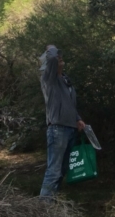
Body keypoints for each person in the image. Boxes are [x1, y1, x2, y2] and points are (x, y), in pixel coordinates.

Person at [39, 44, 85, 200]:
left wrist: (78, 119)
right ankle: (43, 208)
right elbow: (51, 57)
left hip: (70, 129)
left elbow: (69, 104)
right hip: (57, 129)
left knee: (62, 170)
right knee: (54, 170)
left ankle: (51, 203)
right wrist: (51, 49)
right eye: (57, 57)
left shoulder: (65, 79)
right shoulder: (48, 79)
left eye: (60, 56)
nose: (60, 58)